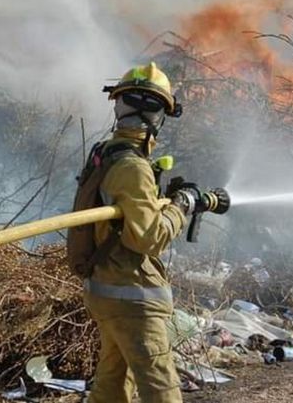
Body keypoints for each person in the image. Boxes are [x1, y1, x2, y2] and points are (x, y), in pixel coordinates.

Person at [73, 62, 197, 403]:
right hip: (134, 297)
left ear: (119, 104)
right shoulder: (132, 166)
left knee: (112, 387)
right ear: (156, 115)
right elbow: (146, 238)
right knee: (162, 393)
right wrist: (181, 206)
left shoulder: (105, 154)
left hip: (106, 291)